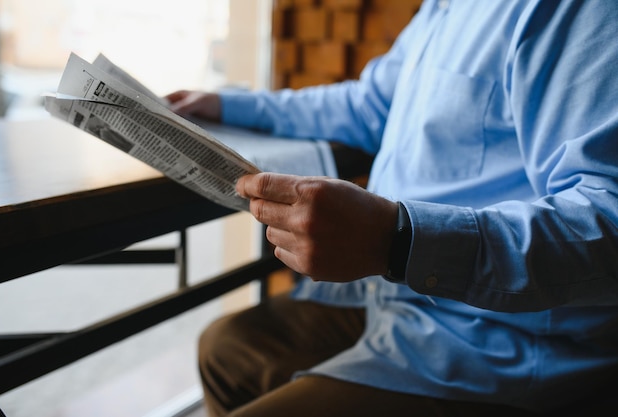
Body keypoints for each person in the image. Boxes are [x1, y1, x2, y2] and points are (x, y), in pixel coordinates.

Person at [167, 1, 618, 416]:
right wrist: (230, 105)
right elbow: (370, 105)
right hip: (399, 296)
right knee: (227, 349)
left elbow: (607, 220)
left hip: (505, 342)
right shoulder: (446, 8)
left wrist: (399, 240)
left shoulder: (579, 11)